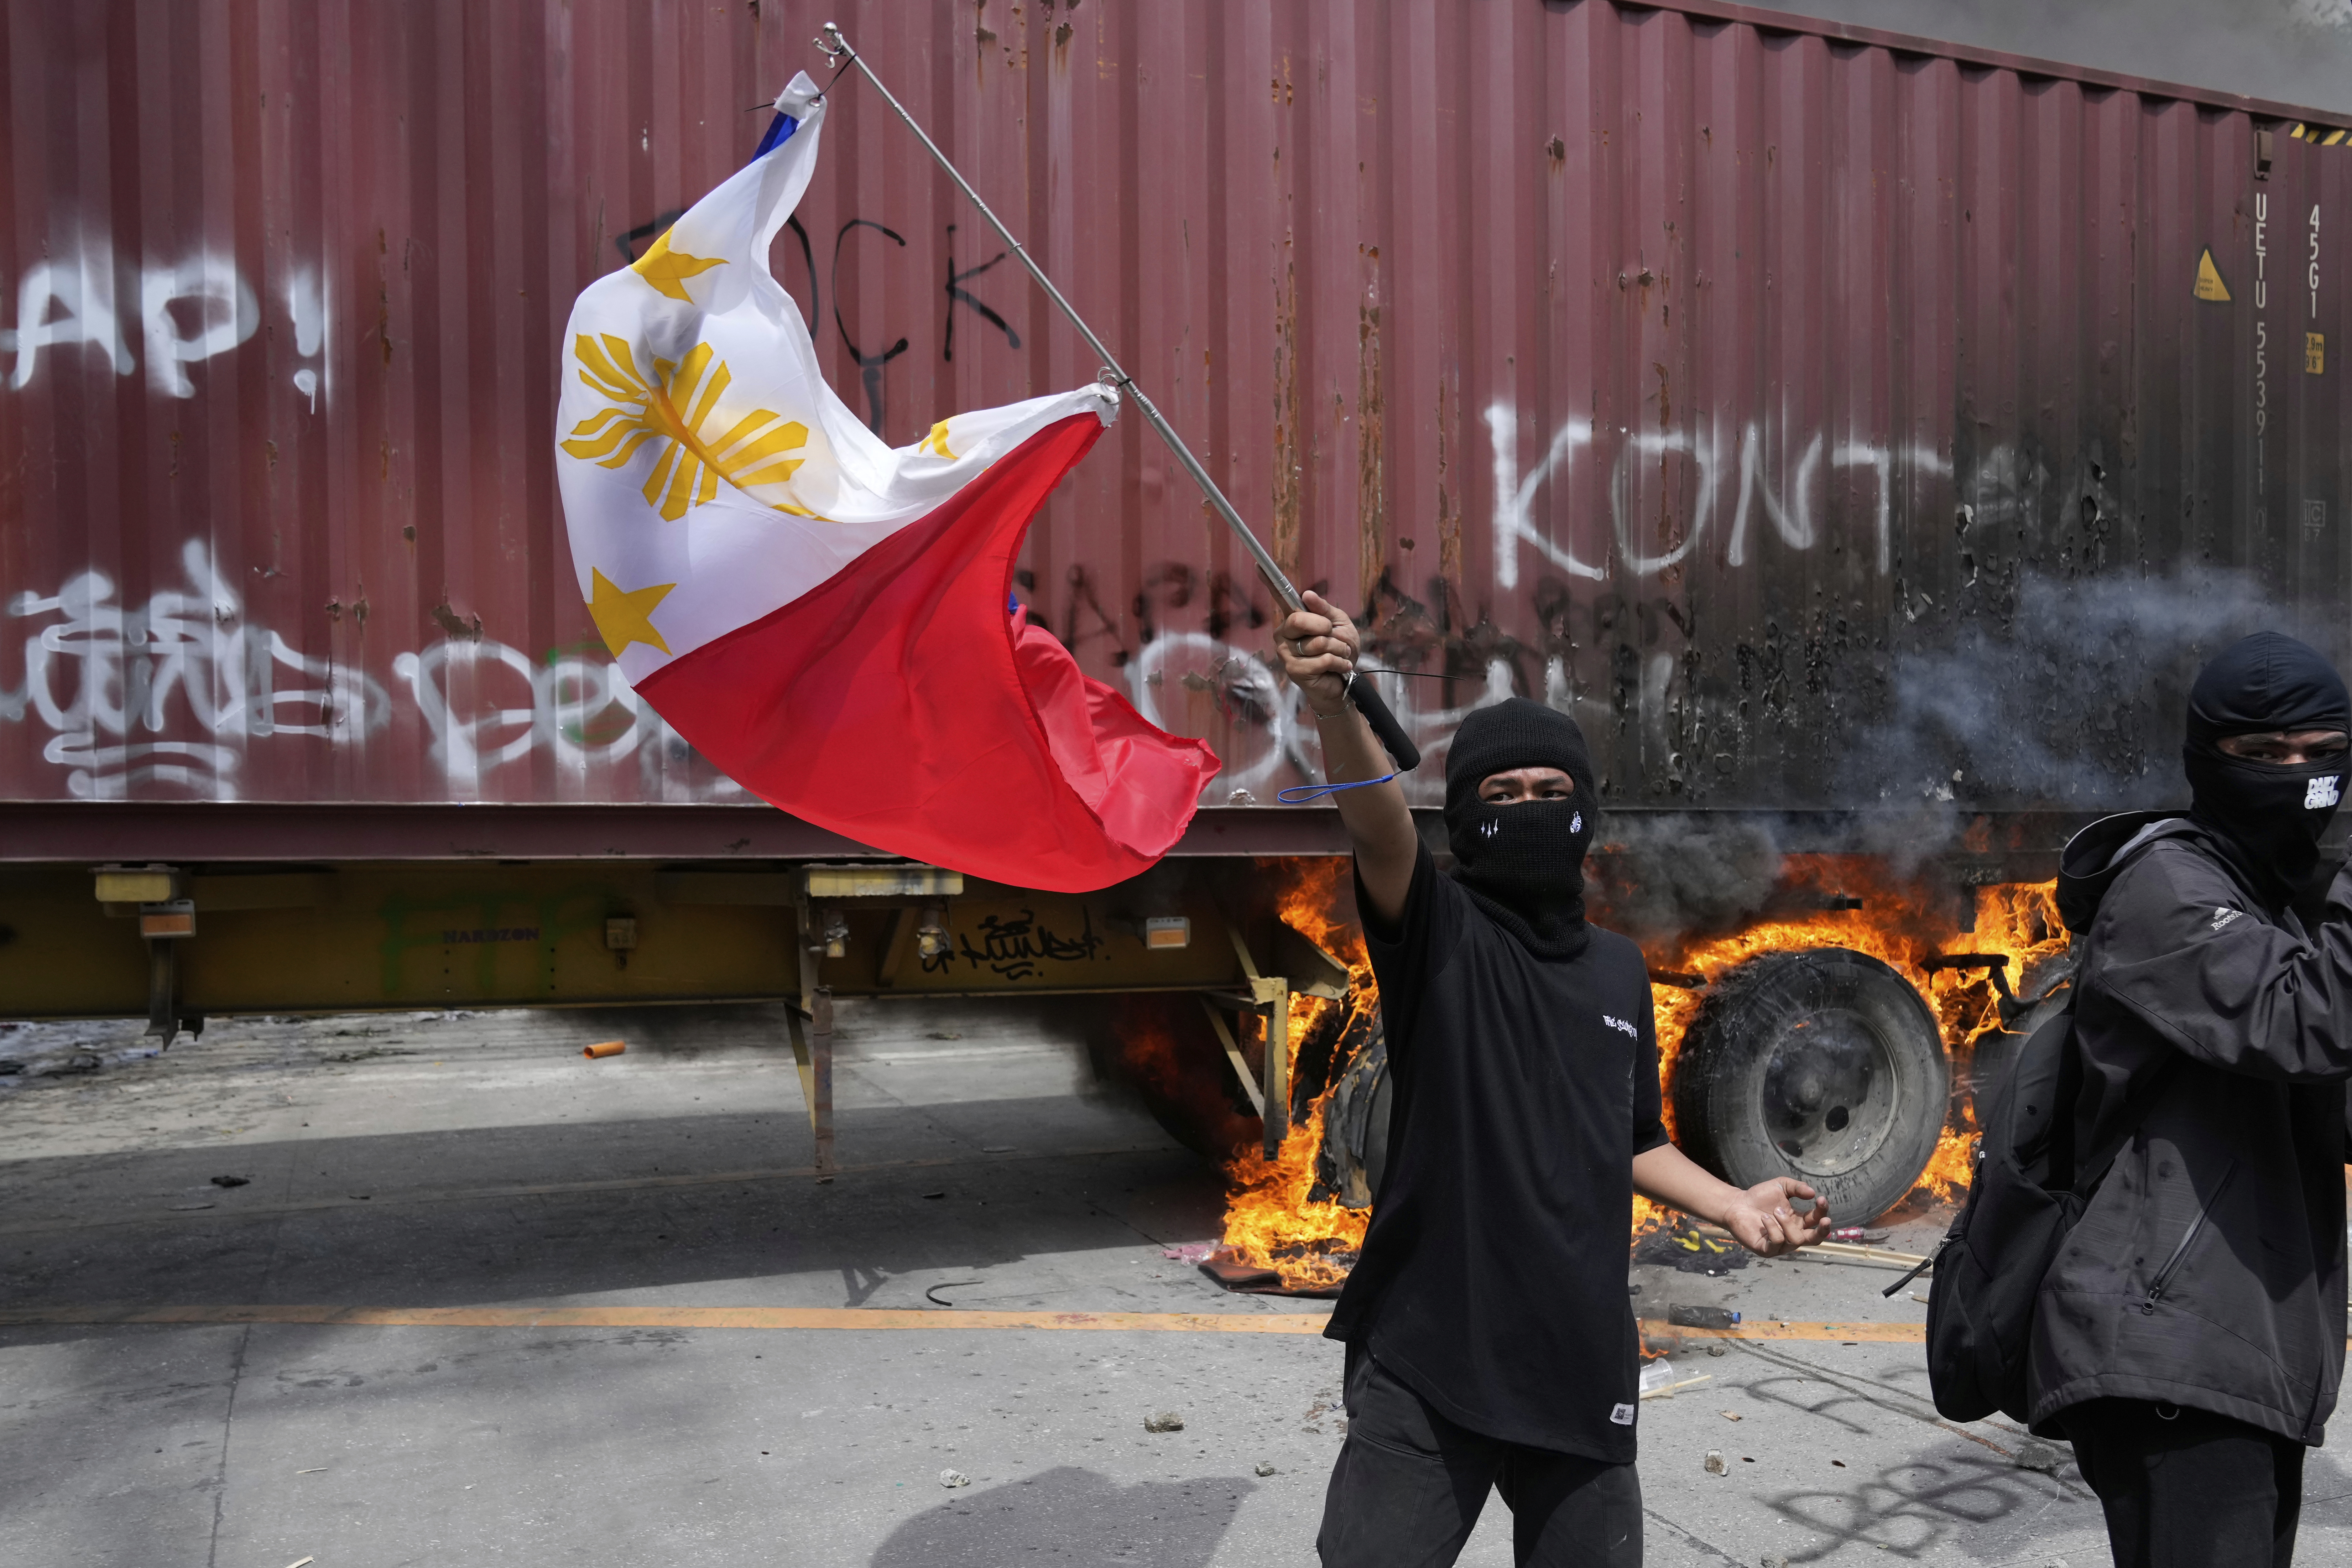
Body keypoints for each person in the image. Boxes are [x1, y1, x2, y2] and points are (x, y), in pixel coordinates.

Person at [1275, 590, 1834, 1568]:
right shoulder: (1440, 935)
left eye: (1549, 789)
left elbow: (1632, 1137)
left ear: (1585, 811)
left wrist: (1736, 1203)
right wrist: (1335, 707)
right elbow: (1378, 830)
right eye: (1499, 796)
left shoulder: (1619, 970)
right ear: (1464, 817)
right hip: (1431, 1349)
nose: (1528, 807)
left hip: (1578, 1355)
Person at [2039, 630, 2352, 1568]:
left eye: (2320, 752)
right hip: (2171, 1343)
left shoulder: (2278, 899)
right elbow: (2307, 1022)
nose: (2296, 776)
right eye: (2263, 756)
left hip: (2249, 1344)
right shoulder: (2165, 889)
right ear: (2207, 759)